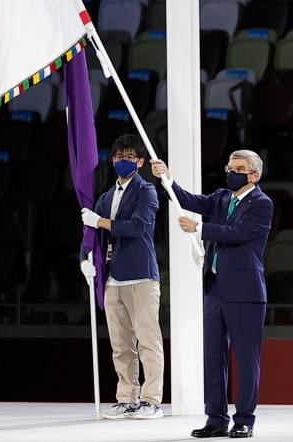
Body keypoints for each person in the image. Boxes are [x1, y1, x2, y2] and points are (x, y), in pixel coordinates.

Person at [151, 151, 273, 440]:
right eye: (229, 167)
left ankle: (244, 420)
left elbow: (238, 233)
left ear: (254, 175)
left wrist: (200, 228)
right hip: (215, 289)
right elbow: (188, 200)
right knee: (214, 358)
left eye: (238, 169)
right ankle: (216, 419)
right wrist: (166, 178)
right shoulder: (221, 197)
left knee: (246, 360)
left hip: (245, 292)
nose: (231, 172)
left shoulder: (262, 204)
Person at [79, 134, 164, 420]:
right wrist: (84, 259)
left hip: (141, 276)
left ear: (140, 162)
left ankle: (151, 400)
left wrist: (101, 221)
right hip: (112, 278)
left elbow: (138, 227)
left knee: (148, 341)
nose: (122, 161)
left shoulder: (146, 192)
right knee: (121, 344)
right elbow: (90, 232)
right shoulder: (106, 196)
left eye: (129, 157)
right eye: (118, 157)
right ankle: (127, 398)